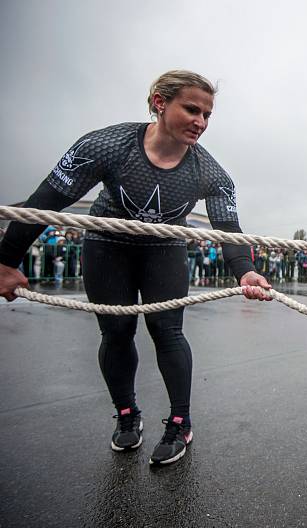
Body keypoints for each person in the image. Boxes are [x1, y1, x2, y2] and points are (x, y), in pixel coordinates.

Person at [0, 70, 272, 466]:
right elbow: (44, 204)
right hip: (107, 244)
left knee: (168, 331)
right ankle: (127, 414)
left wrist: (245, 271)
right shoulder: (107, 146)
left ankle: (180, 421)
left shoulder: (210, 173)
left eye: (208, 114)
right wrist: (6, 261)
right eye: (192, 109)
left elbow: (228, 230)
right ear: (160, 103)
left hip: (164, 250)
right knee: (116, 331)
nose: (201, 121)